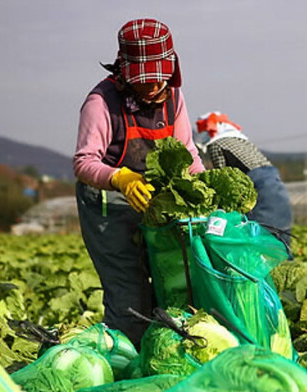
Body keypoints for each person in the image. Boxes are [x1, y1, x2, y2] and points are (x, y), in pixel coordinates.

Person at [73, 18, 205, 347]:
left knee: (172, 283)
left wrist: (205, 188)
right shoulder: (101, 102)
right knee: (129, 293)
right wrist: (120, 177)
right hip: (109, 205)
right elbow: (84, 161)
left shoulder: (174, 97)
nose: (150, 87)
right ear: (124, 71)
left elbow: (186, 151)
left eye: (156, 79)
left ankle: (165, 354)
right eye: (142, 80)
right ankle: (126, 366)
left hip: (155, 206)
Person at [195, 111, 293, 253]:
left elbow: (222, 179)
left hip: (259, 189)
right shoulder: (240, 140)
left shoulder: (216, 144)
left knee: (259, 240)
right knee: (280, 238)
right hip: (276, 186)